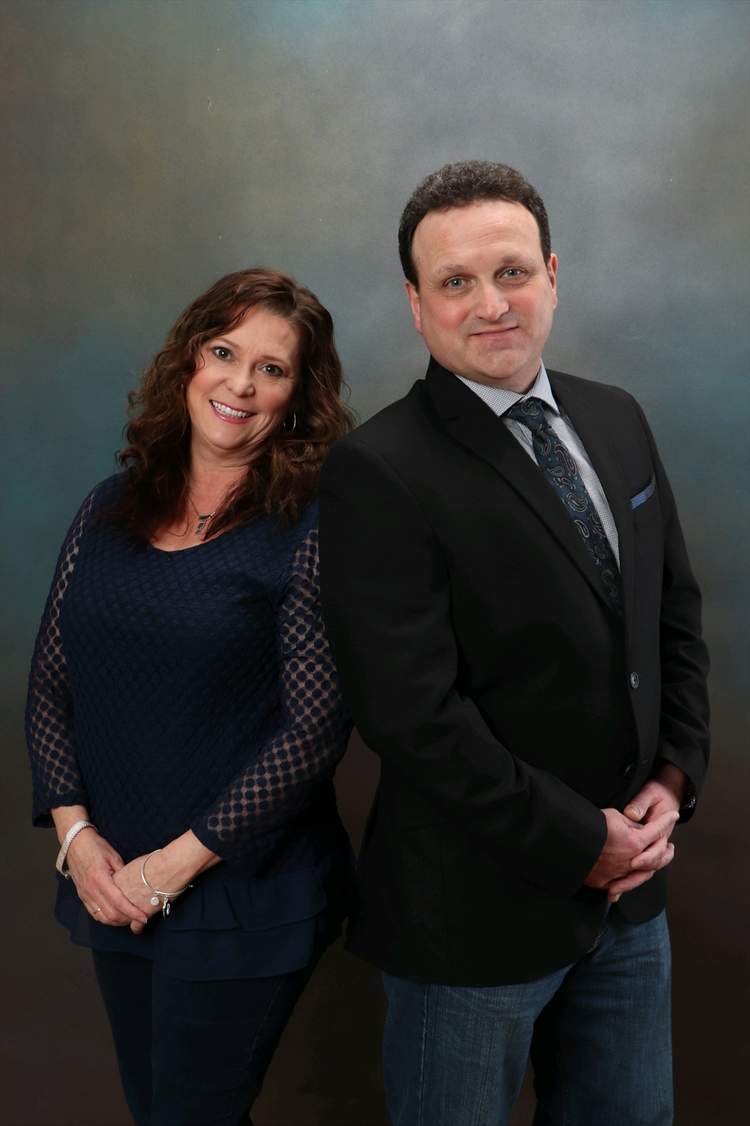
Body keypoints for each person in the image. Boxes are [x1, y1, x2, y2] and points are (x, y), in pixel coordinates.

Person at [319, 161, 709, 1125]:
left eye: (512, 272)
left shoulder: (616, 416)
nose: (491, 304)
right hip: (470, 920)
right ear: (416, 305)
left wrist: (675, 775)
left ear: (552, 275)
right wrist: (583, 842)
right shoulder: (379, 469)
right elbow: (409, 714)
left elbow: (671, 614)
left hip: (631, 903)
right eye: (456, 281)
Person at [26, 267, 355, 1126]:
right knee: (154, 1110)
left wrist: (168, 871)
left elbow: (315, 730)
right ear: (188, 362)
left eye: (271, 369)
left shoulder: (312, 528)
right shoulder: (109, 508)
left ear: (297, 398)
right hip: (112, 880)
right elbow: (53, 682)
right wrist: (78, 840)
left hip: (243, 895)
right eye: (223, 352)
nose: (240, 384)